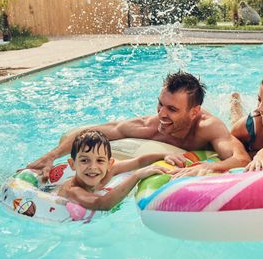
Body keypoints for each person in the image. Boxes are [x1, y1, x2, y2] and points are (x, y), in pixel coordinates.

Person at [27, 71, 250, 180]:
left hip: (220, 132)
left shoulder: (208, 127)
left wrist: (211, 167)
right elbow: (91, 131)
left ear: (194, 112)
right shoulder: (150, 126)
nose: (161, 114)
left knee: (236, 125)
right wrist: (52, 155)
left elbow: (241, 159)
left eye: (172, 109)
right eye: (160, 104)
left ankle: (234, 104)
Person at [57, 130, 169, 210]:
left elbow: (139, 161)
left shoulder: (107, 172)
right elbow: (101, 204)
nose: (93, 167)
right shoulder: (73, 191)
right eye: (84, 160)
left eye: (100, 160)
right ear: (72, 164)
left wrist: (165, 155)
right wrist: (136, 176)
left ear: (109, 164)